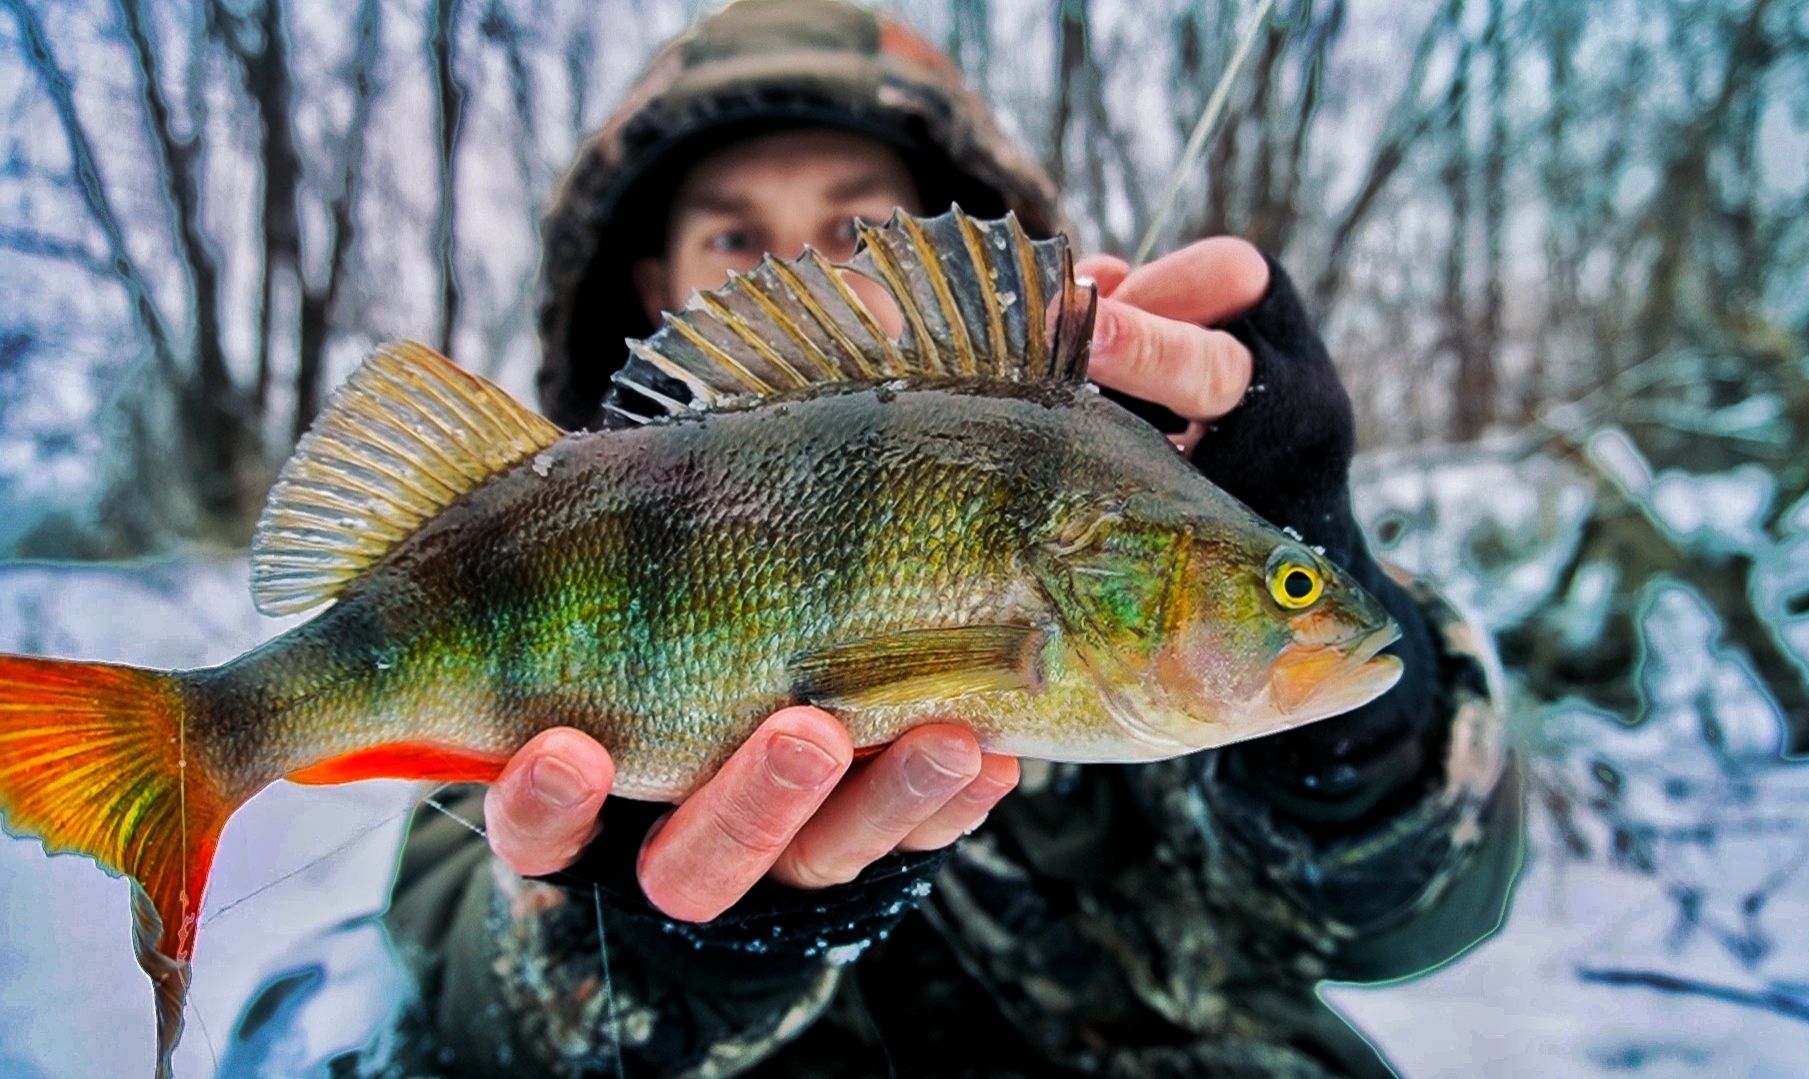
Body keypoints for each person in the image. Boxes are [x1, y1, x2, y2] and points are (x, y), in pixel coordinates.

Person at [349, 3, 1524, 1075]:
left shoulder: (1122, 500)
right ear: (654, 288)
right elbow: (463, 999)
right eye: (737, 240)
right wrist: (676, 953)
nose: (804, 266)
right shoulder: (534, 570)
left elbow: (1406, 920)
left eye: (859, 228)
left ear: (950, 251)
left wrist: (1356, 699)